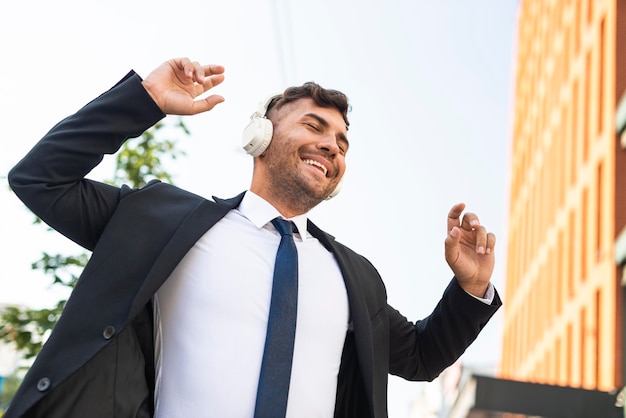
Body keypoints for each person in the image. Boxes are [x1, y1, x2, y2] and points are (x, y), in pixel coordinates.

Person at [6, 57, 501, 418]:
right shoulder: (162, 221)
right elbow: (40, 179)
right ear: (258, 137)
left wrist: (470, 289)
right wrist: (144, 101)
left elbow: (420, 356)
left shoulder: (355, 277)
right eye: (315, 125)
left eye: (341, 142)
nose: (331, 144)